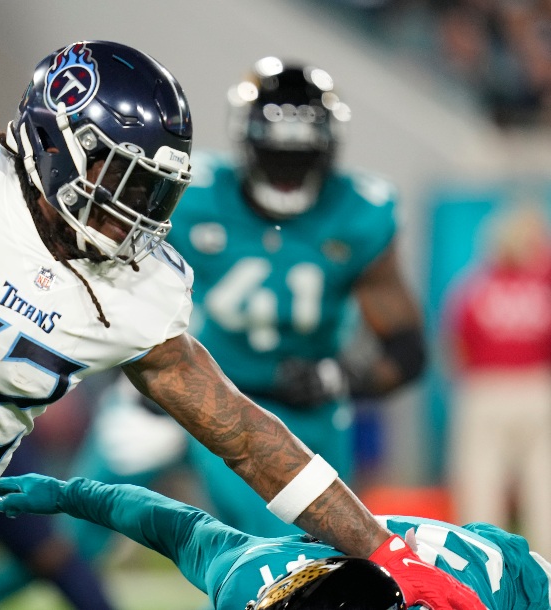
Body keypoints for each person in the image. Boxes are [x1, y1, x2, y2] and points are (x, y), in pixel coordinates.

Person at [0, 40, 483, 609]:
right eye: (120, 173)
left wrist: (382, 547)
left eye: (154, 184)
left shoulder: (141, 291)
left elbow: (249, 438)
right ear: (53, 142)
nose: (138, 203)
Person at [68, 56, 427, 549]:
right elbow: (110, 282)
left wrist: (340, 377)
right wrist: (132, 376)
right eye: (277, 153)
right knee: (69, 529)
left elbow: (408, 351)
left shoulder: (361, 214)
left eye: (300, 156)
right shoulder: (194, 196)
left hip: (295, 410)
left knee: (308, 561)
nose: (286, 171)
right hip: (183, 388)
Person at [0, 473, 551, 609]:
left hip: (514, 576)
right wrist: (68, 493)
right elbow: (168, 522)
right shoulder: (251, 578)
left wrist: (68, 492)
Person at [444, 204, 551, 556]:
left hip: (485, 388)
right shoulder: (543, 287)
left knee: (480, 485)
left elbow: (456, 347)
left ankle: (478, 559)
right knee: (544, 486)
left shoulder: (474, 288)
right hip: (537, 387)